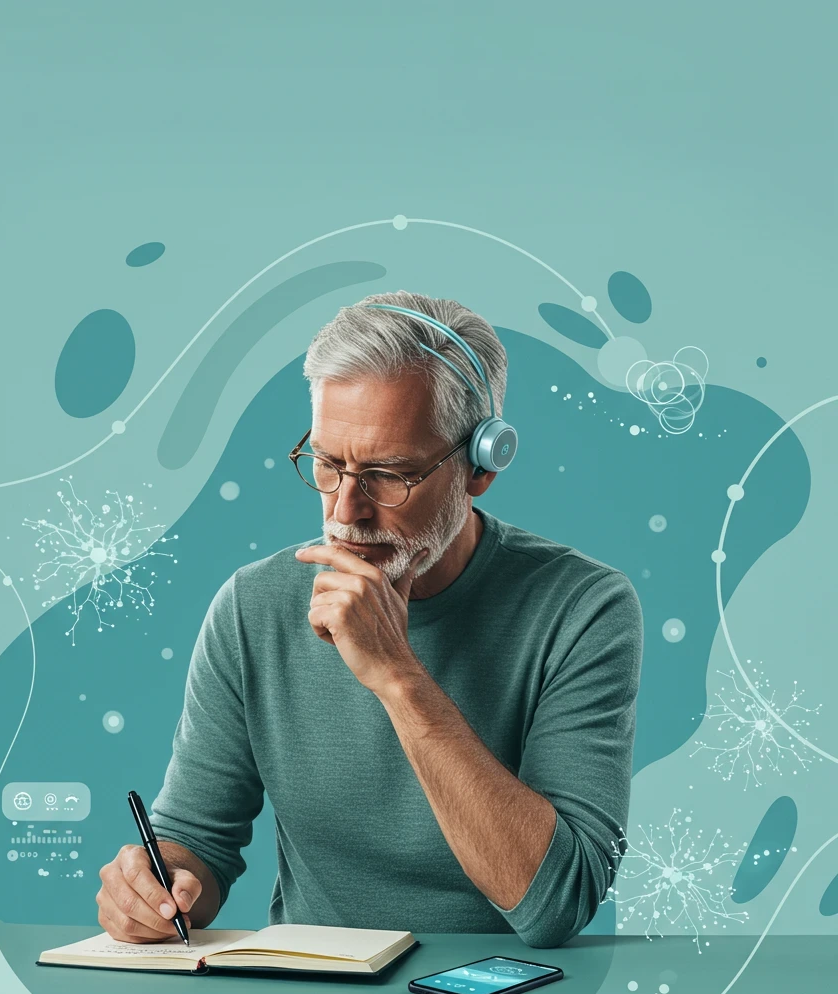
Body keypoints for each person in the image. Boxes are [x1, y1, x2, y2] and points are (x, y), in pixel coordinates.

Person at [96, 289, 643, 949]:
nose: (345, 511)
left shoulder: (582, 608)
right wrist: (159, 887)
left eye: (388, 474)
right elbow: (197, 843)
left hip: (505, 990)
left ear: (481, 466)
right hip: (315, 988)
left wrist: (396, 674)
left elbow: (559, 903)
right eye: (328, 465)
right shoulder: (253, 606)